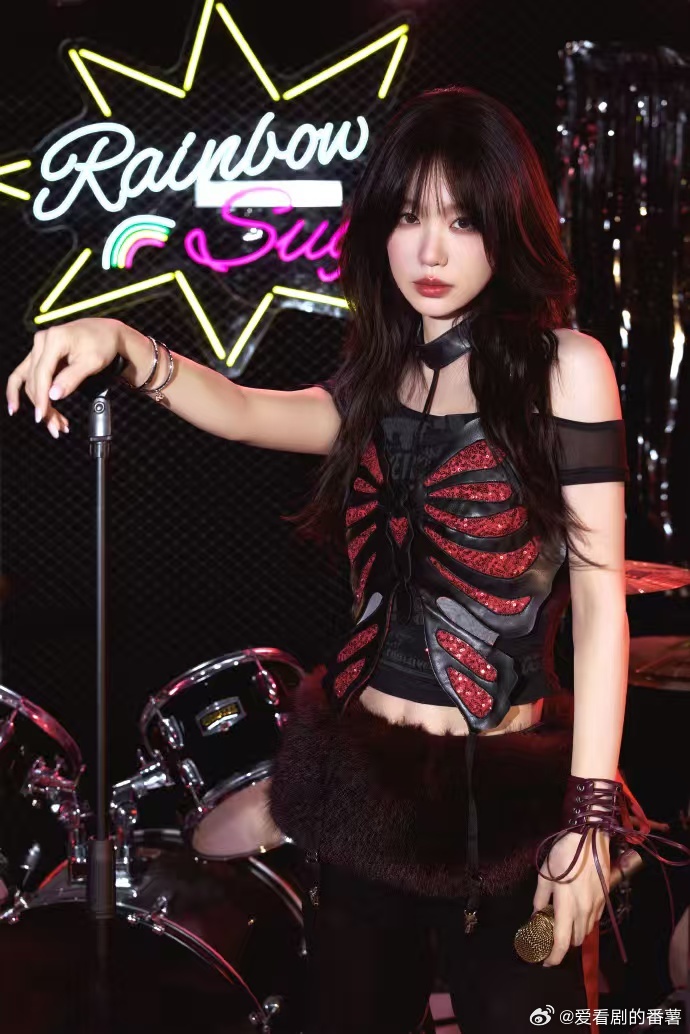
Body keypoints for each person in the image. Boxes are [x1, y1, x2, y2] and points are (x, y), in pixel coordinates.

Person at [6, 86, 689, 1034]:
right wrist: (121, 342)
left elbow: (602, 603)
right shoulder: (379, 374)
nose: (432, 251)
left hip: (499, 811)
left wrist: (588, 818)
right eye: (408, 218)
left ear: (507, 224)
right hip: (363, 797)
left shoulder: (565, 367)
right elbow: (245, 411)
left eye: (461, 219)